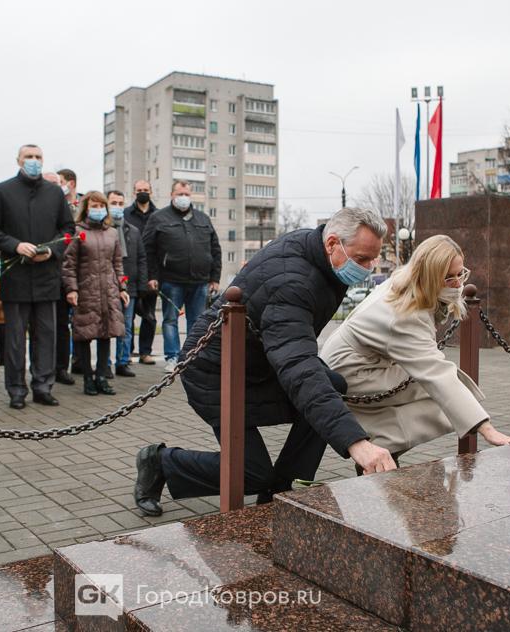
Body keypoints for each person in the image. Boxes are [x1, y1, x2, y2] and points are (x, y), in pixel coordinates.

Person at [133, 207, 396, 516]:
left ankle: (281, 493)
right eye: (362, 259)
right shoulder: (292, 282)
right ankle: (160, 462)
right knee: (251, 473)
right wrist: (357, 443)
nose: (367, 268)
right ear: (332, 243)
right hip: (216, 373)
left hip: (257, 366)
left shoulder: (316, 255)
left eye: (372, 259)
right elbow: (298, 367)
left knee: (330, 385)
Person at [321, 235, 510, 460]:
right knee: (438, 391)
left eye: (460, 273)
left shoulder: (408, 281)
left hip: (355, 363)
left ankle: (383, 449)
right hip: (350, 371)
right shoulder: (406, 315)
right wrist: (487, 429)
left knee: (439, 394)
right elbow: (435, 372)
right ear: (430, 276)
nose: (458, 283)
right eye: (448, 277)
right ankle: (382, 449)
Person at [0, 145, 75, 409]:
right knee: (14, 340)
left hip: (47, 276)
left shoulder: (54, 192)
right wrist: (15, 245)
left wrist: (52, 250)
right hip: (17, 276)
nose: (33, 161)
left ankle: (43, 386)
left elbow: (67, 229)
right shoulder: (2, 190)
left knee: (45, 336)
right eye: (28, 157)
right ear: (19, 160)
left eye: (38, 157)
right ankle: (16, 390)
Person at [142, 180, 221, 373]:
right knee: (170, 320)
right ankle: (172, 358)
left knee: (197, 322)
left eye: (186, 194)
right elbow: (148, 250)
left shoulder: (203, 218)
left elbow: (215, 248)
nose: (183, 197)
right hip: (171, 281)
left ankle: (193, 358)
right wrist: (152, 276)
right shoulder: (158, 218)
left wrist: (215, 278)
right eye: (180, 194)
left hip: (200, 281)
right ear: (172, 195)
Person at [62, 191, 128, 395]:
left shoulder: (112, 233)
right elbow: (69, 264)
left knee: (105, 333)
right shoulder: (77, 231)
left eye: (101, 206)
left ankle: (102, 377)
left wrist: (122, 287)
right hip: (86, 290)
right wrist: (72, 289)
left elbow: (117, 263)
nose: (98, 210)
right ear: (86, 208)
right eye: (94, 206)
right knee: (85, 334)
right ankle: (87, 379)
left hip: (108, 290)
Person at [107, 190, 146, 377]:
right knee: (106, 327)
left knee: (126, 326)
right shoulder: (103, 230)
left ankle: (122, 362)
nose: (117, 207)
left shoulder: (133, 231)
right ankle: (105, 364)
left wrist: (141, 285)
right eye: (113, 203)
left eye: (120, 203)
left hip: (129, 286)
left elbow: (141, 258)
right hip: (106, 286)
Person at [123, 179, 159, 366]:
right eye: (139, 190)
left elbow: (160, 247)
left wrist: (155, 276)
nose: (142, 192)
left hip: (151, 275)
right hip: (130, 273)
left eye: (145, 189)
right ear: (134, 192)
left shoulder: (158, 215)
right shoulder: (125, 214)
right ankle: (127, 352)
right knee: (128, 317)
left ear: (151, 192)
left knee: (149, 316)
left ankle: (145, 352)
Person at [54, 168, 80, 384]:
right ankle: (51, 366)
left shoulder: (82, 206)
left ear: (70, 184)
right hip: (54, 270)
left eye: (60, 182)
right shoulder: (52, 205)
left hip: (76, 274)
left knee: (71, 324)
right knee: (54, 324)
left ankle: (69, 364)